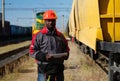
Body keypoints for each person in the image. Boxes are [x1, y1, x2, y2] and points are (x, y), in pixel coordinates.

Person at [29, 10, 70, 81]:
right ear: (45, 21)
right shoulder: (38, 36)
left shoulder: (60, 36)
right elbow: (32, 51)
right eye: (48, 20)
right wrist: (44, 56)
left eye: (53, 20)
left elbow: (66, 49)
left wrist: (66, 55)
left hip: (58, 70)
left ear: (55, 21)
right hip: (44, 70)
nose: (51, 22)